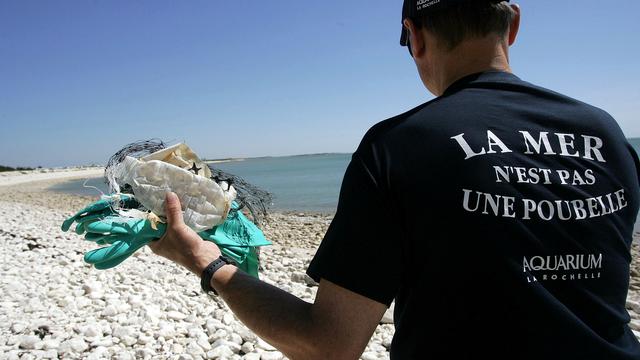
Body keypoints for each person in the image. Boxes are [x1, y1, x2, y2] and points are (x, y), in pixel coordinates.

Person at [149, 0, 640, 358]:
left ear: (416, 35)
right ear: (512, 25)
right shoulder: (606, 131)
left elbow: (328, 345)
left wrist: (206, 262)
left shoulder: (400, 144)